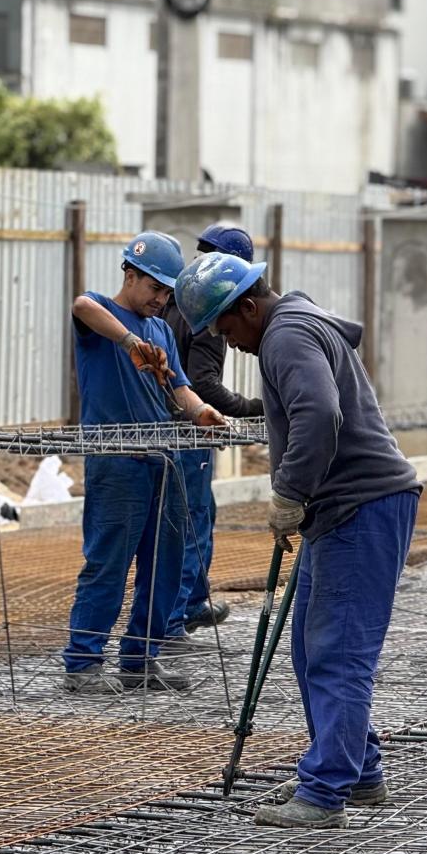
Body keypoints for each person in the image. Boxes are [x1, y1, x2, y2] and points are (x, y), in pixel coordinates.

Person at [173, 252, 421, 829]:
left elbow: (318, 412)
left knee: (338, 653)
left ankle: (325, 792)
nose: (227, 342)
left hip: (361, 507)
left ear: (250, 307)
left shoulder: (285, 335)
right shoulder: (295, 323)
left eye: (227, 327)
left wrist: (289, 491)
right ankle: (356, 771)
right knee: (313, 649)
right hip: (342, 510)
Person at [60, 231, 226, 695]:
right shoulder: (102, 316)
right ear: (129, 275)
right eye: (154, 288)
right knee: (108, 561)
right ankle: (83, 662)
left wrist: (201, 413)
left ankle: (140, 660)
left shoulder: (162, 332)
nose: (160, 299)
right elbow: (81, 306)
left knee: (165, 565)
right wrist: (130, 341)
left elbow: (179, 388)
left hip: (164, 460)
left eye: (167, 292)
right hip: (117, 464)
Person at [162, 222, 265, 641]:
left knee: (178, 524)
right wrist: (254, 409)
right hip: (190, 434)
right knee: (193, 521)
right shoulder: (208, 310)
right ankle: (180, 614)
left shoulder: (172, 299)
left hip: (161, 430)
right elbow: (203, 384)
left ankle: (181, 608)